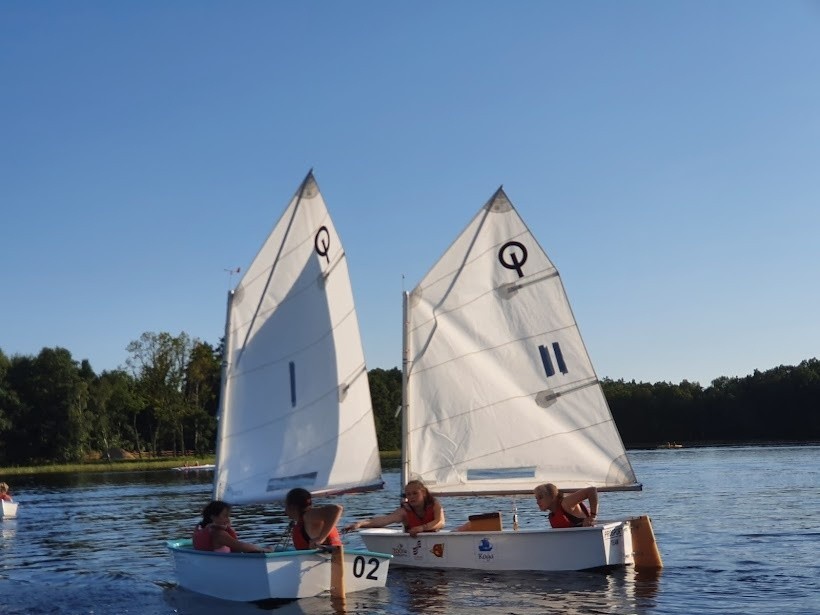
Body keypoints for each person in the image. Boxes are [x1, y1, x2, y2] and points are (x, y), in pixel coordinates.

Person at [344, 479, 445, 537]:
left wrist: (422, 528)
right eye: (408, 494)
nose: (411, 497)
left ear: (423, 493)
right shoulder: (404, 511)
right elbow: (385, 520)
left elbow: (440, 522)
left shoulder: (434, 504)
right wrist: (360, 524)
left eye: (415, 493)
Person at [192, 500, 272, 553]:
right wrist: (265, 550)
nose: (228, 519)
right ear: (213, 517)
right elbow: (241, 546)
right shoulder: (218, 534)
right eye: (225, 516)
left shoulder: (203, 529)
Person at [534, 483, 598, 528]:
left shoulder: (566, 503)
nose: (537, 502)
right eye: (536, 498)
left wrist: (593, 516)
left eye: (540, 497)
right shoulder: (553, 514)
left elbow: (592, 490)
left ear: (552, 497)